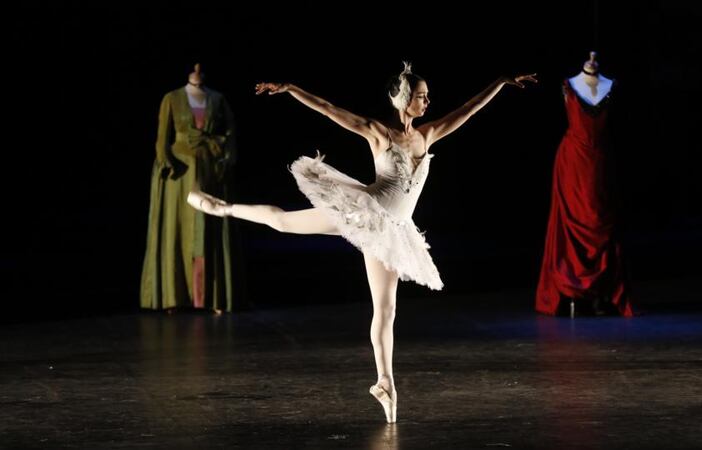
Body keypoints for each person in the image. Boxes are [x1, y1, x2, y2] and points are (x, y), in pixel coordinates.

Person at [186, 62, 537, 422]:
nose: (427, 101)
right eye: (420, 96)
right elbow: (330, 110)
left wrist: (500, 82)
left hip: (393, 230)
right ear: (402, 100)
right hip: (362, 213)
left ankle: (385, 383)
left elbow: (468, 109)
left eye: (428, 96)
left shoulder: (426, 135)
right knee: (283, 222)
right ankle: (224, 208)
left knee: (386, 310)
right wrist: (291, 88)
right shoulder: (379, 134)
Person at [535, 51, 634, 317]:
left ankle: (601, 290)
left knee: (600, 220)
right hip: (573, 163)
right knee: (571, 223)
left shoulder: (610, 85)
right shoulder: (569, 84)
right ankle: (572, 292)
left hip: (600, 162)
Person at [141, 63, 241, 314]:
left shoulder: (217, 99)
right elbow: (162, 137)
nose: (197, 69)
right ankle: (175, 295)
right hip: (180, 171)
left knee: (209, 226)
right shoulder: (172, 98)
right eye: (192, 66)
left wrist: (225, 160)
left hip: (210, 169)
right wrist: (166, 163)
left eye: (201, 66)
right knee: (180, 229)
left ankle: (212, 297)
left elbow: (230, 134)